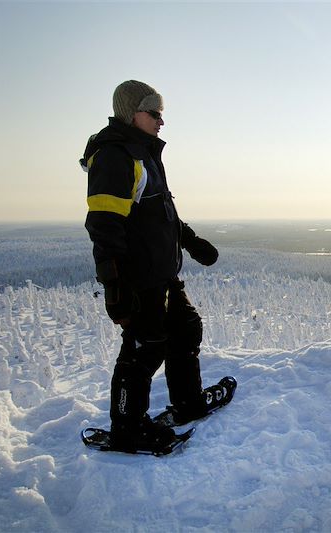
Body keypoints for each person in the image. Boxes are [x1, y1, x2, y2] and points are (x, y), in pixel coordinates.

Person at [81, 80, 222, 452]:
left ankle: (187, 402)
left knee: (185, 330)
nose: (162, 121)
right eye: (155, 113)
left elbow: (162, 215)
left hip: (161, 272)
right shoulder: (116, 156)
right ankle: (128, 427)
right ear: (132, 113)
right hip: (138, 278)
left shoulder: (144, 154)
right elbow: (104, 226)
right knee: (145, 349)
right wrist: (116, 287)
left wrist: (191, 243)